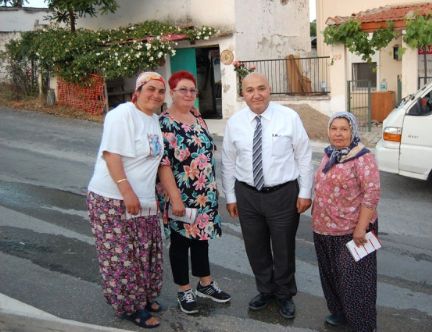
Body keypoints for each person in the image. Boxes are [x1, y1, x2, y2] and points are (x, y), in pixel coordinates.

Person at [221, 72, 313, 319]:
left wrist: (305, 192)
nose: (256, 94)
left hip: (283, 194)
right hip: (247, 195)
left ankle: (284, 294)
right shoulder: (235, 123)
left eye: (261, 88)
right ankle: (265, 290)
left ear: (269, 89)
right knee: (255, 247)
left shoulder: (289, 118)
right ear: (243, 94)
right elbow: (228, 161)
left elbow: (303, 155)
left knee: (283, 248)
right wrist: (230, 196)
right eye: (250, 90)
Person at [87, 72, 166, 329]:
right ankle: (130, 308)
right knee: (122, 257)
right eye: (150, 89)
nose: (155, 95)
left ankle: (143, 297)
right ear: (139, 90)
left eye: (160, 91)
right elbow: (112, 155)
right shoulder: (122, 114)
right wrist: (127, 192)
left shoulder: (154, 120)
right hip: (112, 198)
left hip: (144, 199)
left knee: (144, 252)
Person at [157, 70, 231, 315]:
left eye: (192, 90)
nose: (189, 94)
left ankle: (205, 284)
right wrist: (175, 197)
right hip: (180, 194)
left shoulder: (198, 118)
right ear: (172, 92)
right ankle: (184, 289)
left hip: (204, 193)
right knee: (180, 243)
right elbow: (163, 163)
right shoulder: (164, 123)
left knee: (202, 239)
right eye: (183, 90)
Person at [311, 112, 380, 332]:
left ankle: (363, 325)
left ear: (353, 132)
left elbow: (372, 194)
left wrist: (361, 228)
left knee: (357, 282)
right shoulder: (329, 154)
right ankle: (340, 313)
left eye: (344, 129)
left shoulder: (362, 157)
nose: (338, 133)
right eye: (334, 128)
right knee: (331, 276)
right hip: (323, 228)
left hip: (352, 231)